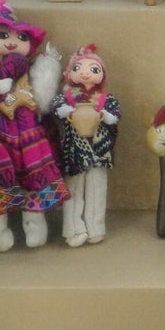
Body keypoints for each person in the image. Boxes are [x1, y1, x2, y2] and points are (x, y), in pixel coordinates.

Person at [0, 0, 70, 252]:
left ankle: (33, 220)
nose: (12, 42)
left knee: (35, 174)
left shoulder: (27, 66)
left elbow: (41, 98)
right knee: (0, 180)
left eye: (21, 37)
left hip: (27, 131)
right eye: (2, 35)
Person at [52, 44, 120, 246]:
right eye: (77, 68)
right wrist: (66, 111)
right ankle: (74, 229)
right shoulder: (66, 97)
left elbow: (115, 118)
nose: (85, 73)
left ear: (102, 74)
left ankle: (95, 228)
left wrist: (105, 115)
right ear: (69, 73)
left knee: (97, 189)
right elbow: (57, 109)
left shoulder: (108, 99)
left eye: (94, 69)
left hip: (100, 150)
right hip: (74, 150)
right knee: (73, 190)